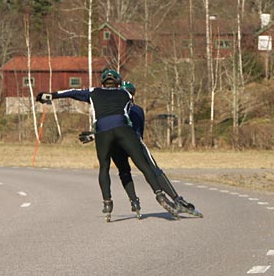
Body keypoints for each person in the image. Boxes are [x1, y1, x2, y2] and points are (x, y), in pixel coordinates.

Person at [36, 68, 179, 221]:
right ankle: (160, 195)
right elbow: (131, 114)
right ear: (118, 84)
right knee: (143, 165)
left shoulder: (94, 92)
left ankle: (107, 202)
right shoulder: (126, 94)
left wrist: (52, 95)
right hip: (123, 129)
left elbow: (73, 92)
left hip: (102, 132)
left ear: (103, 82)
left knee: (104, 168)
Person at [113, 81, 202, 217]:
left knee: (124, 171)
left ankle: (134, 202)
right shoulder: (137, 110)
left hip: (117, 143)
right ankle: (177, 199)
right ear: (133, 94)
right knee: (154, 170)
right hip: (136, 142)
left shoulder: (113, 111)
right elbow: (139, 132)